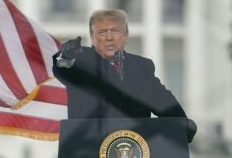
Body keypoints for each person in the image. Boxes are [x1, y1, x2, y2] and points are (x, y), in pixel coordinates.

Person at [52, 9, 197, 142]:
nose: (109, 37)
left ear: (125, 36)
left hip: (133, 150)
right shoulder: (80, 61)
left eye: (115, 31)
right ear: (92, 38)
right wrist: (65, 56)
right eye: (102, 32)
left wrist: (182, 124)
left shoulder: (142, 67)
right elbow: (64, 67)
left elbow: (163, 102)